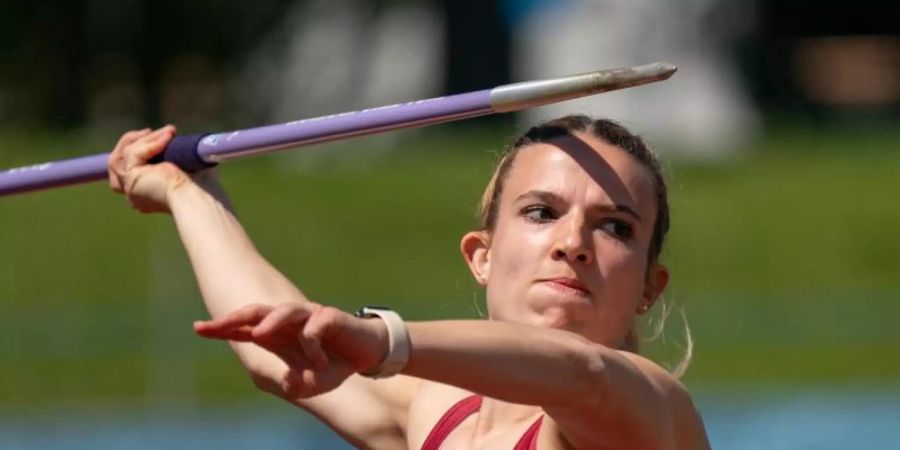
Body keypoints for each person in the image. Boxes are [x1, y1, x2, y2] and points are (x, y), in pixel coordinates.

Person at [107, 115, 710, 450]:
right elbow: (278, 350)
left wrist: (383, 341)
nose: (572, 242)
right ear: (481, 255)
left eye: (615, 227)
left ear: (648, 289)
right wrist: (187, 193)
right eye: (541, 212)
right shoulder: (439, 412)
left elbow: (584, 374)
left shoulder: (650, 411)